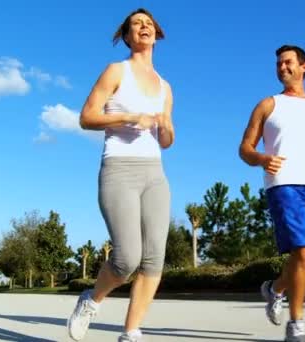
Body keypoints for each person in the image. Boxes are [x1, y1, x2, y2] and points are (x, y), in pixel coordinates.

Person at [67, 8, 174, 342]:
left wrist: (167, 126)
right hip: (119, 169)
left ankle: (131, 332)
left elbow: (166, 141)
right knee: (127, 259)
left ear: (156, 34)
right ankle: (91, 300)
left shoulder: (165, 87)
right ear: (127, 37)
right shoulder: (116, 71)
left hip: (155, 174)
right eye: (135, 25)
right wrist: (128, 118)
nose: (142, 27)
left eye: (148, 24)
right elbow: (86, 117)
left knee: (154, 258)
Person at [238, 45, 305, 342]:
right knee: (302, 251)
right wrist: (262, 158)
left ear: (304, 66)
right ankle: (296, 325)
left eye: (288, 62)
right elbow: (245, 148)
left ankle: (274, 289)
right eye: (278, 63)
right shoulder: (268, 105)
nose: (282, 67)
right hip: (282, 183)